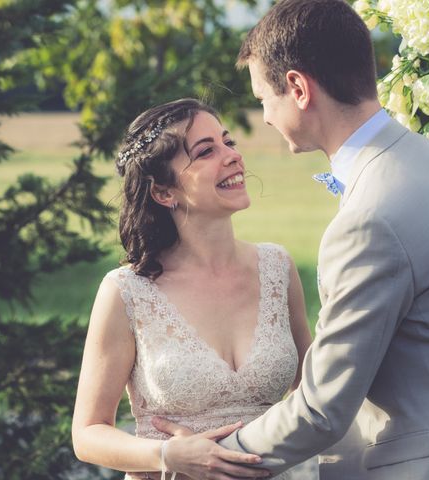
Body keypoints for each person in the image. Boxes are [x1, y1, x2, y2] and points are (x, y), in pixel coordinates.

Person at [149, 1, 429, 479]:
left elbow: (321, 408)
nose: (263, 118)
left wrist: (213, 458)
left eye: (264, 98)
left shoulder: (370, 216)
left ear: (298, 88)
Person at [71, 98, 315, 479]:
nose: (231, 156)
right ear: (164, 193)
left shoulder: (277, 268)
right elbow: (87, 434)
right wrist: (169, 454)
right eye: (206, 152)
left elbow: (316, 392)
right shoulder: (127, 292)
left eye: (228, 142)